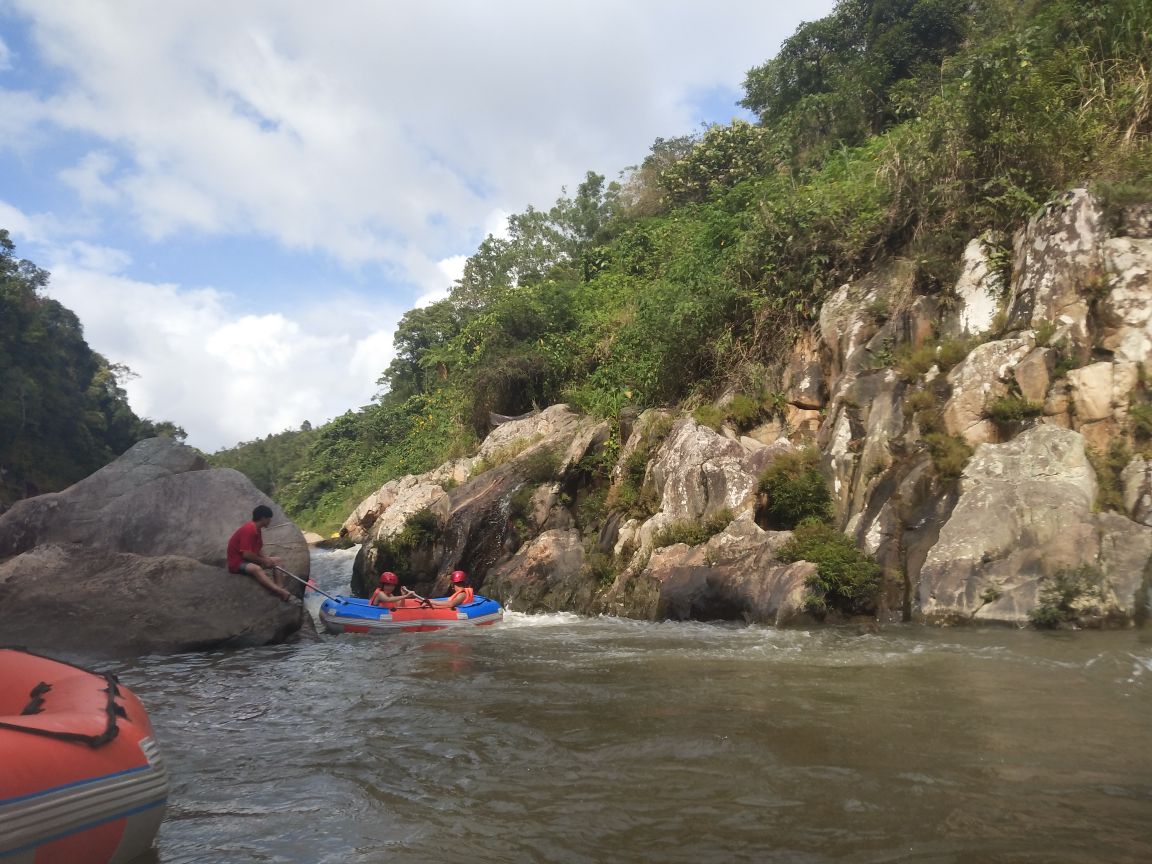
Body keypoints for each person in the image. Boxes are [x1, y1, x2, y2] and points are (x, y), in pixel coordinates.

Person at [226, 505, 292, 602]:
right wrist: (263, 561)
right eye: (269, 518)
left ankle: (280, 587)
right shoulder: (248, 529)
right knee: (256, 569)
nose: (270, 521)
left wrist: (266, 559)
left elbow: (258, 549)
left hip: (247, 560)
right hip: (237, 562)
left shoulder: (257, 529)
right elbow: (246, 554)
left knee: (277, 560)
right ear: (263, 518)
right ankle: (279, 591)